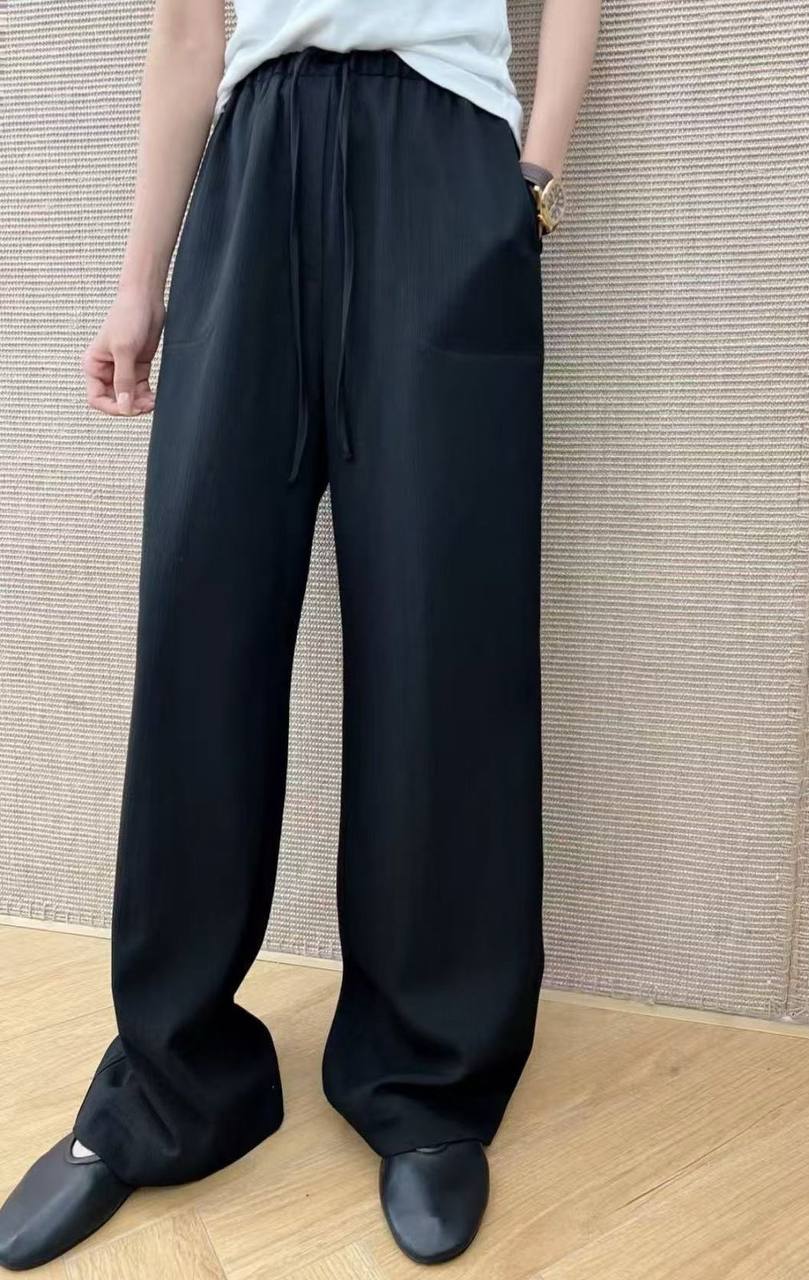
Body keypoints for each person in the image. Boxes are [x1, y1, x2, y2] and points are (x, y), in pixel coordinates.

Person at [0, 0, 599, 1269]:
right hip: (254, 155)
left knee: (444, 629)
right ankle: (170, 1083)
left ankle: (427, 1079)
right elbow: (189, 30)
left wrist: (532, 181)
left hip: (446, 159)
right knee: (200, 618)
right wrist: (138, 285)